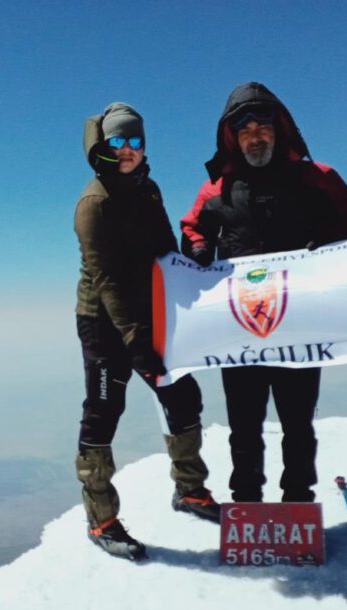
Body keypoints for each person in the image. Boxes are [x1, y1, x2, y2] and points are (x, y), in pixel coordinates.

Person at [181, 82, 347, 504]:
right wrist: (197, 247)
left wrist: (328, 238)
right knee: (243, 425)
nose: (255, 137)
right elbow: (193, 227)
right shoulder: (217, 189)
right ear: (233, 138)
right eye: (245, 132)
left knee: (298, 423)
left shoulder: (315, 178)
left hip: (299, 326)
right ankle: (246, 504)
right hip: (240, 328)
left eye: (263, 129)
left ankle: (297, 503)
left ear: (279, 130)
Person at [75, 102, 219, 561]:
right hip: (103, 321)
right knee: (103, 409)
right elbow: (107, 280)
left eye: (135, 141)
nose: (128, 150)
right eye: (118, 141)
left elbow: (163, 250)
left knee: (181, 393)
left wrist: (191, 257)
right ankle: (101, 519)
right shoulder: (94, 203)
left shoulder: (149, 191)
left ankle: (190, 488)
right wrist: (137, 342)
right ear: (103, 145)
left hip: (148, 312)